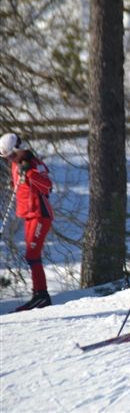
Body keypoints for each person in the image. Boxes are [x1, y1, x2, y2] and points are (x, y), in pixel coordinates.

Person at [0, 133, 54, 312]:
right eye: (7, 158)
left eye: (11, 156)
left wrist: (30, 173)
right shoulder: (16, 164)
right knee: (30, 256)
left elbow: (48, 186)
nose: (10, 160)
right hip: (27, 214)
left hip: (40, 213)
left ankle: (42, 295)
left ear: (18, 149)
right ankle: (38, 294)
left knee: (32, 254)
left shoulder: (34, 165)